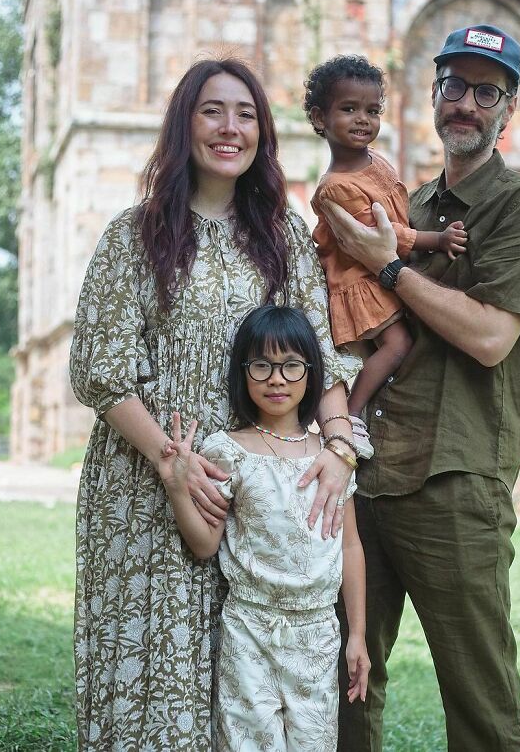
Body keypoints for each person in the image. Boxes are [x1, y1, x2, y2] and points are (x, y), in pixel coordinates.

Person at [69, 58, 360, 750]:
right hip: (147, 483)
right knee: (153, 674)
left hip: (257, 493)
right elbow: (102, 370)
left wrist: (342, 449)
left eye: (246, 114)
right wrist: (173, 462)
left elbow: (321, 353)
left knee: (247, 687)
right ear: (184, 124)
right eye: (212, 111)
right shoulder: (133, 235)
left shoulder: (283, 236)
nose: (231, 128)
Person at [323, 25, 520, 752]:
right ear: (433, 96)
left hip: (455, 481)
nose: (464, 103)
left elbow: (493, 337)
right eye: (452, 86)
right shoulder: (411, 205)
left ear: (508, 108)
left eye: (484, 91)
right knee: (345, 679)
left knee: (479, 703)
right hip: (368, 476)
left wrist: (393, 267)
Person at [158, 305, 371, 752]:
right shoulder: (228, 451)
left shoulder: (334, 457)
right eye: (263, 365)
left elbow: (350, 547)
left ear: (312, 374)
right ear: (244, 372)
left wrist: (358, 636)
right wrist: (178, 487)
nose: (277, 378)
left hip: (317, 634)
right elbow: (204, 545)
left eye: (291, 365)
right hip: (249, 631)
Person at [306, 55, 467, 458]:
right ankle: (349, 415)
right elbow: (383, 237)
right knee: (396, 344)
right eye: (348, 109)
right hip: (360, 282)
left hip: (379, 274)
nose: (363, 120)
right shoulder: (336, 188)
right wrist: (436, 239)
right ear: (319, 118)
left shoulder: (375, 162)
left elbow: (395, 208)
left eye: (372, 110)